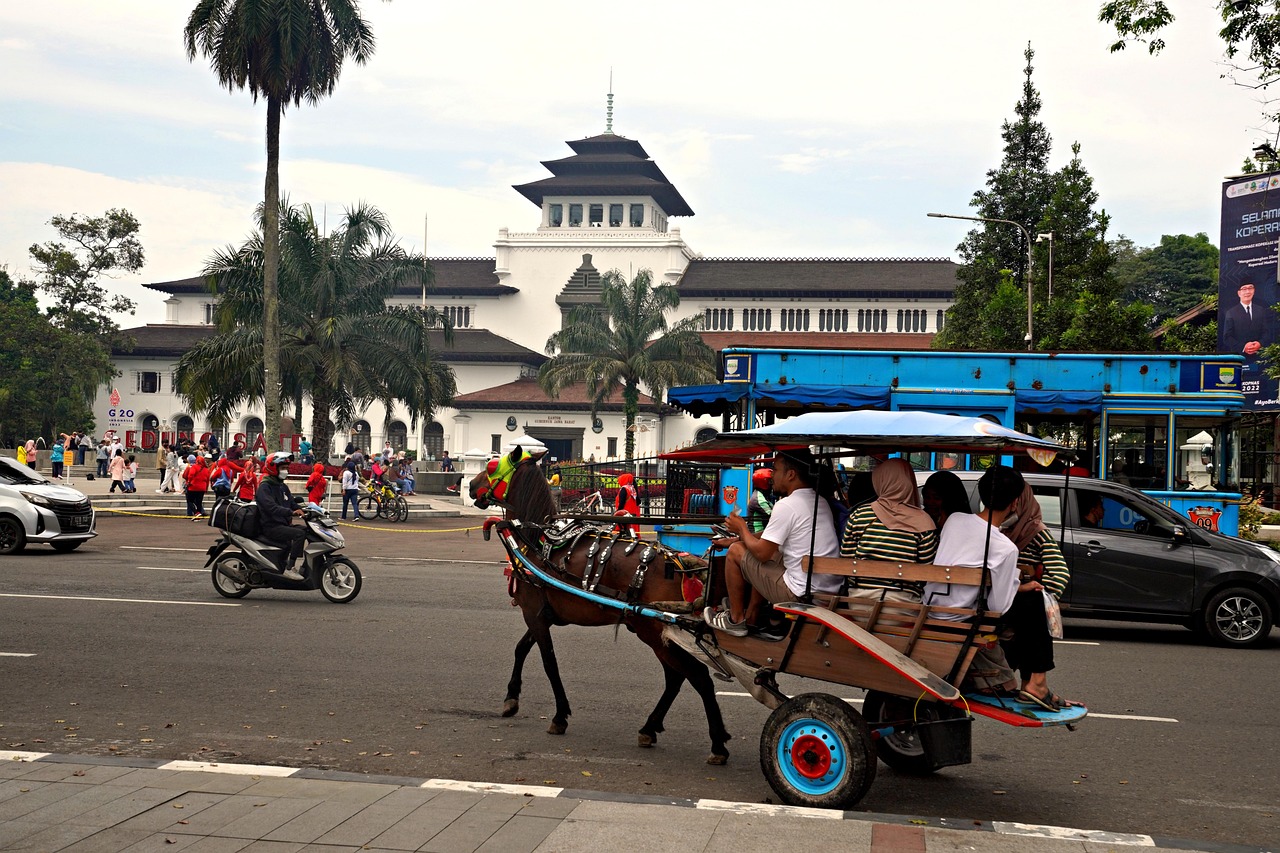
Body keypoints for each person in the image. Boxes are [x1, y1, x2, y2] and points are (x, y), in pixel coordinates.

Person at [703, 449, 844, 636]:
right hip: (827, 589)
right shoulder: (818, 500)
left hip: (802, 594)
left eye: (776, 470)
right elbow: (771, 535)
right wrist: (737, 537)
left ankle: (735, 619)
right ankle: (752, 614)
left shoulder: (786, 505)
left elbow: (762, 553)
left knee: (737, 551)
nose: (772, 476)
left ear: (791, 474)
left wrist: (742, 529)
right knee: (748, 547)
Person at [1002, 483, 1077, 711]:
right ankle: (1033, 684)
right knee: (1033, 608)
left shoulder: (1006, 530)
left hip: (1002, 604)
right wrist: (1044, 595)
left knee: (1032, 606)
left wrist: (1041, 593)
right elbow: (1060, 574)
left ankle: (1029, 683)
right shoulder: (1033, 531)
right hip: (1016, 604)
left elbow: (1059, 573)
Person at [839, 458, 938, 601]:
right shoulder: (924, 521)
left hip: (859, 601)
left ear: (880, 482)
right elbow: (927, 570)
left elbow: (846, 559)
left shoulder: (860, 514)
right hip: (904, 605)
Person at [256, 451, 308, 581]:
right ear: (273, 468)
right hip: (271, 526)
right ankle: (289, 568)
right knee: (298, 534)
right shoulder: (265, 487)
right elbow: (271, 508)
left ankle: (301, 564)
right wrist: (291, 512)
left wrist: (305, 510)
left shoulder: (281, 486)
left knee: (306, 530)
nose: (286, 471)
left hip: (282, 524)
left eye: (286, 468)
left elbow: (291, 502)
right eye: (283, 468)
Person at [1221, 281, 1273, 364]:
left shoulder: (1261, 310)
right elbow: (1227, 337)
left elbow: (1267, 332)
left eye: (1250, 288)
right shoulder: (1231, 312)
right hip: (1239, 358)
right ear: (1239, 293)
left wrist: (1260, 343)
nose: (1247, 292)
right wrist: (1244, 347)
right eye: (1244, 289)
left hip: (1260, 359)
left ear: (1254, 290)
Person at [747, 467, 774, 534]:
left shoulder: (762, 495)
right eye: (770, 481)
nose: (772, 484)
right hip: (756, 535)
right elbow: (772, 516)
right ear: (764, 482)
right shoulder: (758, 499)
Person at [183, 454, 210, 519]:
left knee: (190, 500)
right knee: (199, 502)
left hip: (193, 487)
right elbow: (207, 480)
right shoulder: (206, 469)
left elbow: (190, 475)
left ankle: (196, 513)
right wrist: (206, 488)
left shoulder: (194, 467)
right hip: (202, 488)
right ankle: (199, 513)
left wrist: (189, 481)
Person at [614, 471, 641, 536]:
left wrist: (617, 513)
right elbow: (638, 501)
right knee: (633, 531)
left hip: (625, 513)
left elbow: (621, 503)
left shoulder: (624, 489)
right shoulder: (632, 488)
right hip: (634, 512)